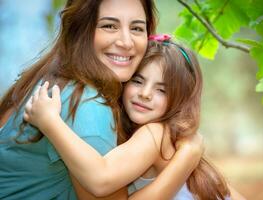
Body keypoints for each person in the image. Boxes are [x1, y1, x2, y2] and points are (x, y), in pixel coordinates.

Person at [0, 0, 203, 199]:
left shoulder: (53, 77)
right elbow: (100, 180)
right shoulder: (89, 105)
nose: (126, 41)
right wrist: (187, 158)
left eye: (137, 28)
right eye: (109, 26)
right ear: (83, 29)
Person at [24, 36, 235, 200]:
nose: (145, 94)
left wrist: (50, 122)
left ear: (180, 100)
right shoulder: (169, 140)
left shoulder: (156, 133)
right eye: (138, 80)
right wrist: (189, 156)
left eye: (162, 90)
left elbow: (101, 179)